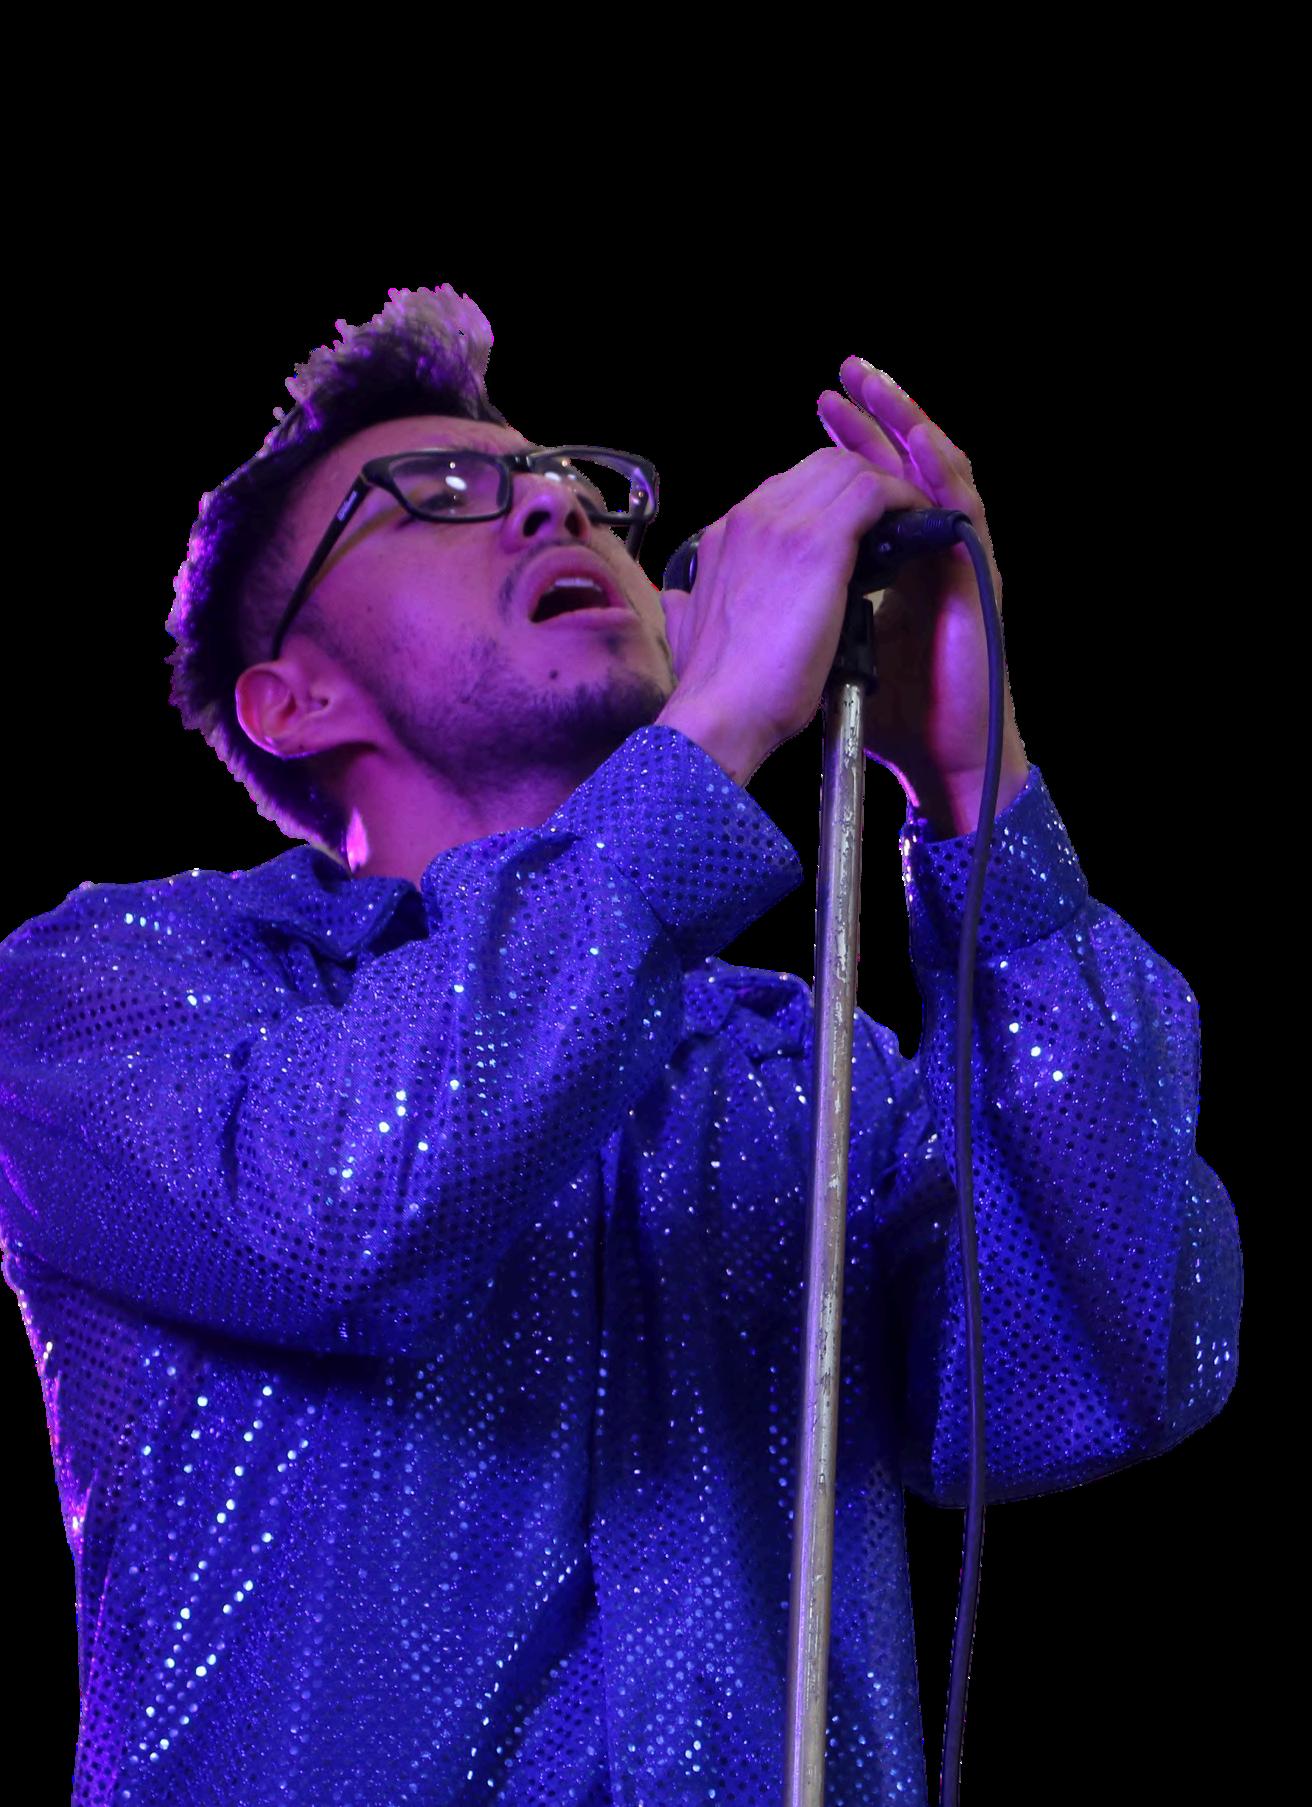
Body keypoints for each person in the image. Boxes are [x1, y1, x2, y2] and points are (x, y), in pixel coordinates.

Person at [0, 284, 1242, 1806]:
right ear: (293, 698)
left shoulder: (795, 1068)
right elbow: (348, 1210)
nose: (551, 506)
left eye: (570, 484)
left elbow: (1108, 1365)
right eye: (435, 493)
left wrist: (980, 795)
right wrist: (710, 734)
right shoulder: (112, 992)